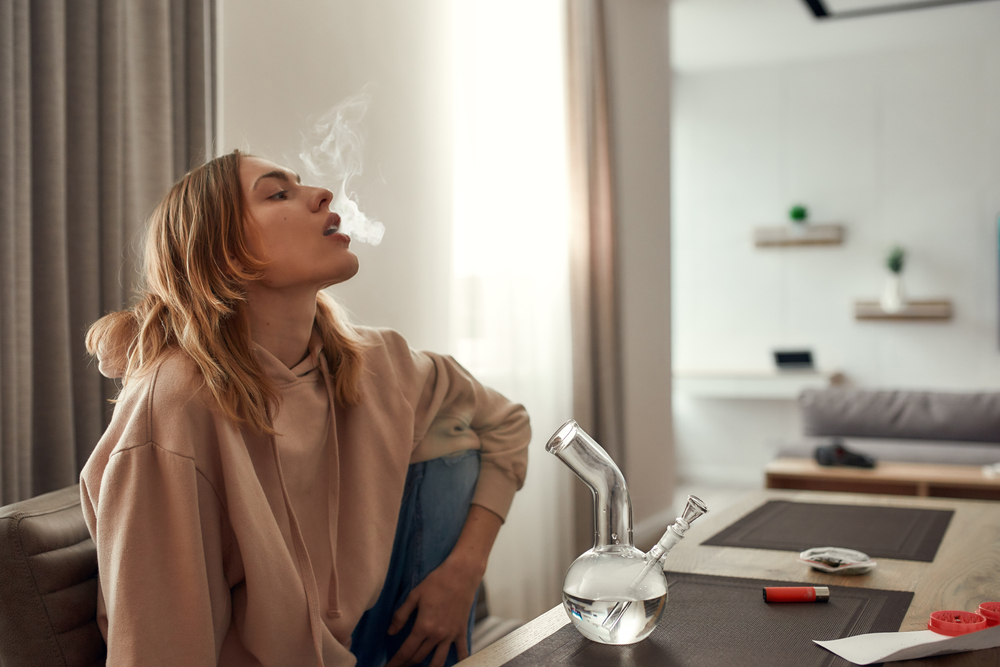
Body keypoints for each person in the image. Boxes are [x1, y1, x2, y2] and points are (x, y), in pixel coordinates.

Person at [80, 150, 530, 667]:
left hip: (360, 645)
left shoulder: (377, 363)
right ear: (226, 252)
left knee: (457, 448)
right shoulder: (174, 406)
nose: (322, 195)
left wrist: (464, 572)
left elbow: (506, 424)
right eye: (278, 193)